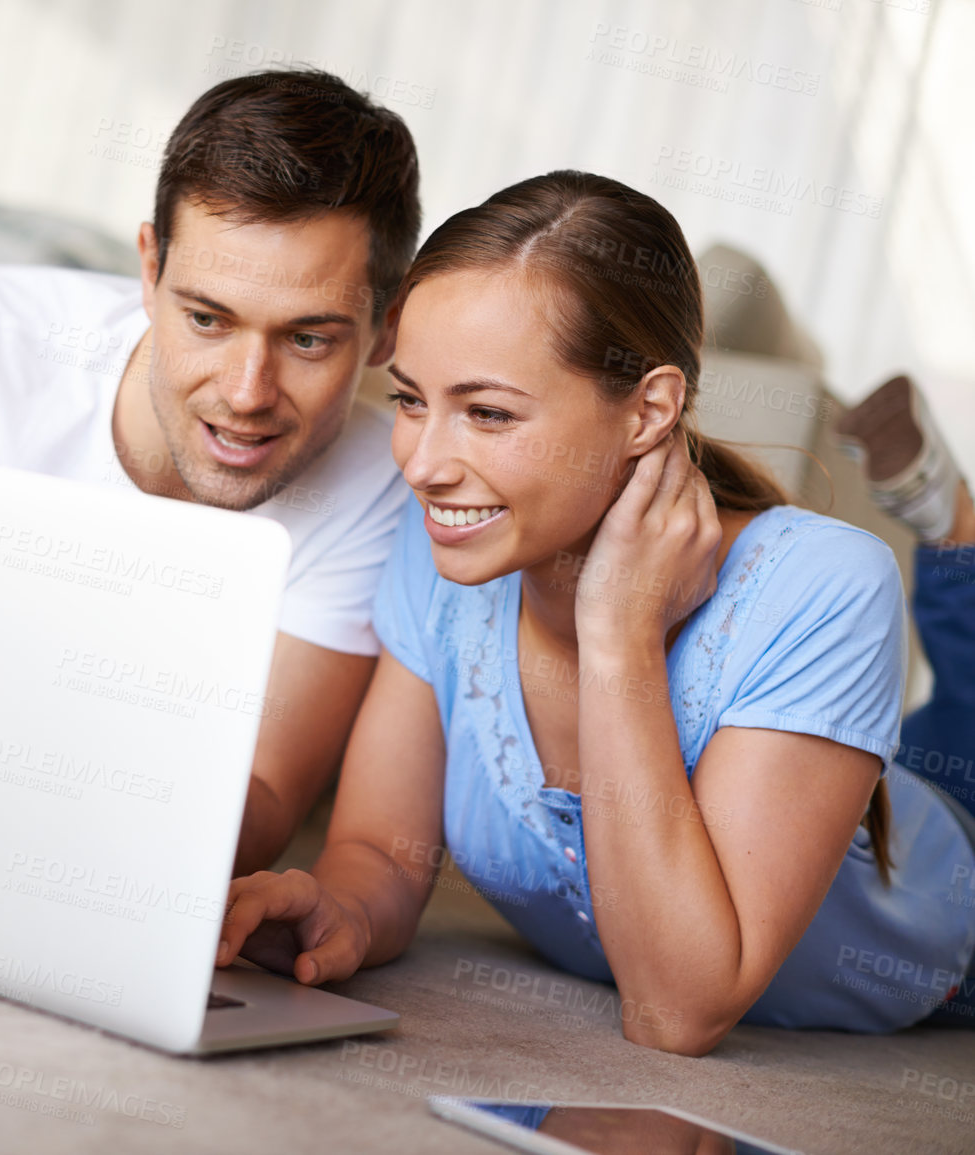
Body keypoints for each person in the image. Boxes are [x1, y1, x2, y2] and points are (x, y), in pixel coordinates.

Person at [215, 170, 975, 1054]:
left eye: (487, 413)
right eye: (411, 401)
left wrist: (619, 633)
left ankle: (952, 528)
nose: (421, 463)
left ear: (649, 410)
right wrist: (335, 907)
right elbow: (383, 852)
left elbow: (677, 1008)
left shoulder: (823, 582)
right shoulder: (440, 560)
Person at [0, 69, 423, 874]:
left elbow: (258, 803)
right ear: (148, 271)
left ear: (386, 329)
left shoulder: (380, 479)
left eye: (306, 340)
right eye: (206, 318)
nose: (245, 393)